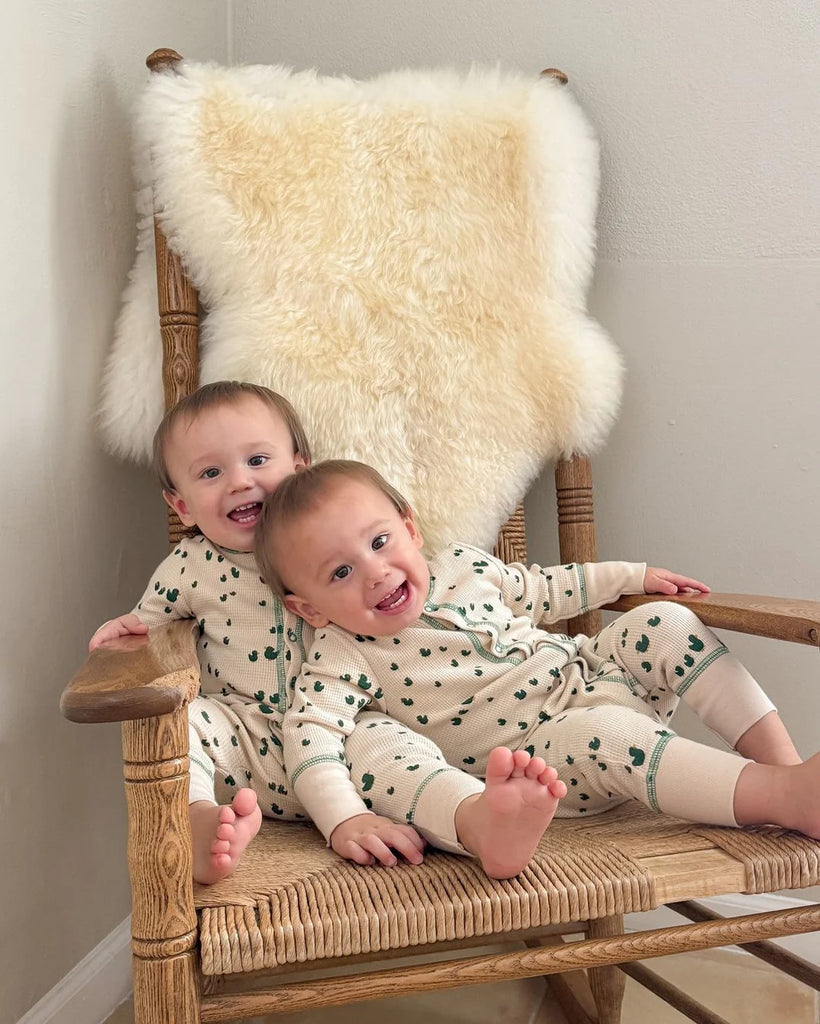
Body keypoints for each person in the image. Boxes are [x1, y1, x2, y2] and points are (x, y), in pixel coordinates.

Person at [256, 459, 819, 878]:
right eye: (339, 574)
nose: (376, 573)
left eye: (380, 542)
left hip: (592, 675)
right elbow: (311, 738)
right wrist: (342, 819)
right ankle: (777, 795)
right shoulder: (344, 654)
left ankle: (786, 769)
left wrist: (632, 576)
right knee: (604, 735)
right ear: (307, 608)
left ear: (410, 528)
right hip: (542, 760)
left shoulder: (462, 565)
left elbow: (550, 589)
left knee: (665, 620)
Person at [89, 383, 435, 883]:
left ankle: (450, 817)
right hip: (246, 745)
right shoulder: (191, 566)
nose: (238, 482)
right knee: (189, 721)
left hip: (340, 739)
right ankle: (196, 818)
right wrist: (136, 627)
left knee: (394, 742)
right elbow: (156, 617)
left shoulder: (332, 548)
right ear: (182, 505)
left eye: (257, 460)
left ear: (300, 468)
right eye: (211, 473)